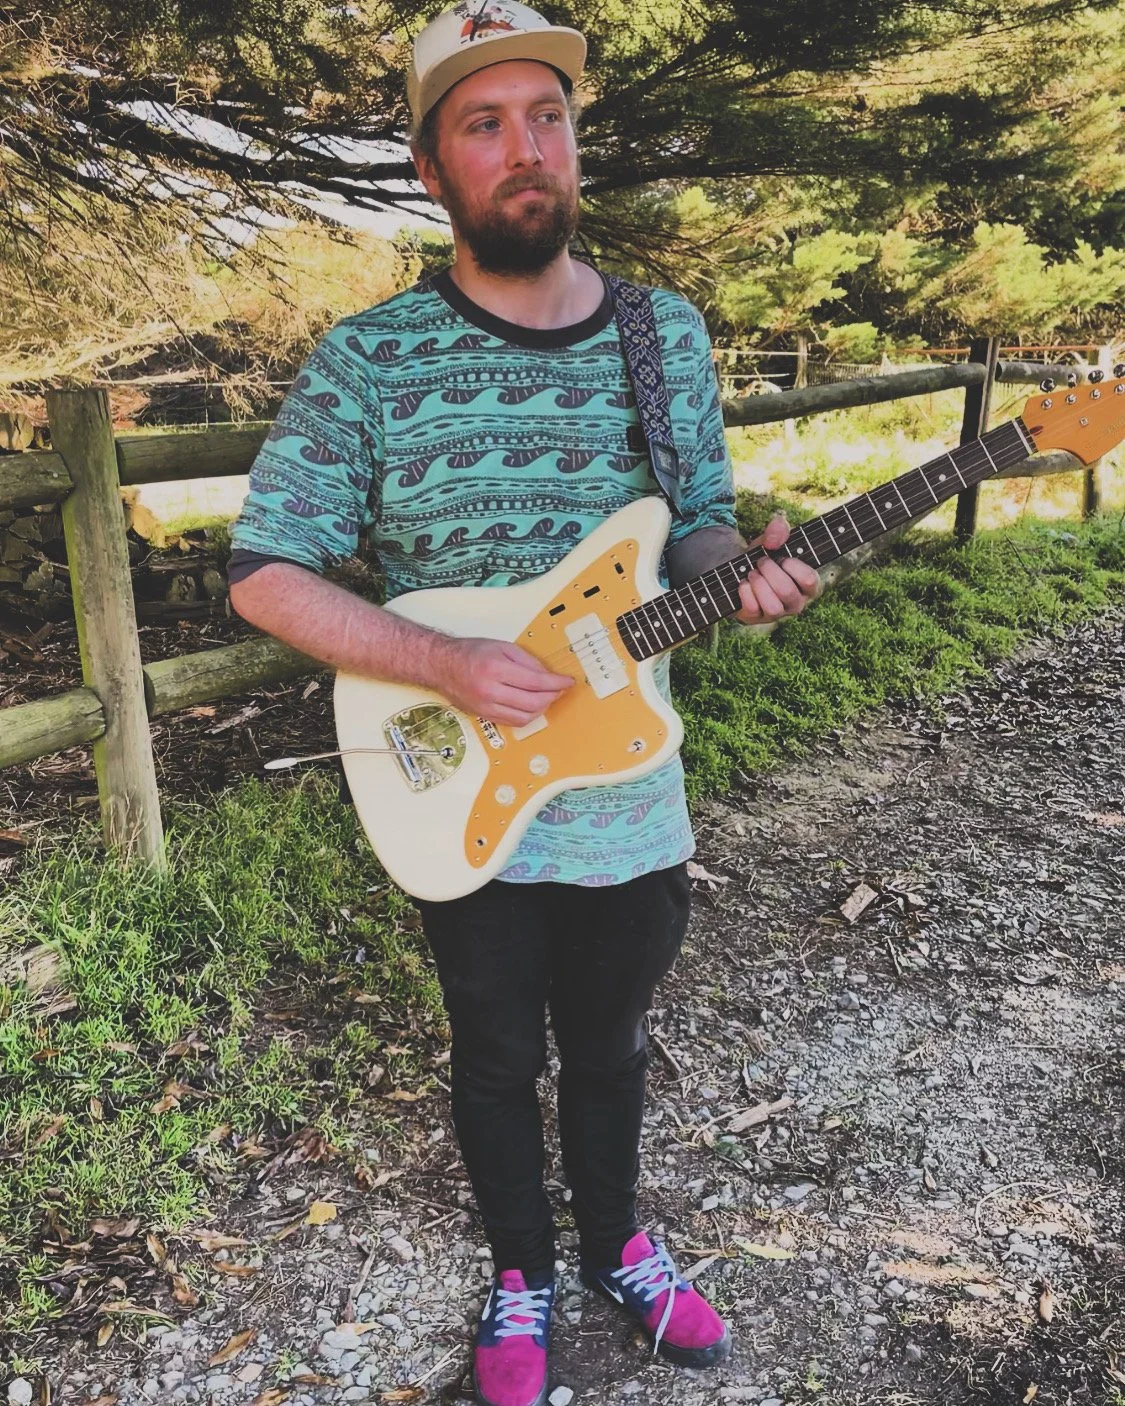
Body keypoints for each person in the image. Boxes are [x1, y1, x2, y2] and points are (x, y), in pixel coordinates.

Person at [228, 4, 820, 1402]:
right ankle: (519, 1270)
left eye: (545, 117)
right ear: (433, 167)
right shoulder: (369, 360)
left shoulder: (659, 334)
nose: (525, 148)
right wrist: (440, 662)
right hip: (456, 786)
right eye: (484, 124)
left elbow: (701, 528)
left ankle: (617, 1240)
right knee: (495, 1050)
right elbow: (263, 571)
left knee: (611, 1040)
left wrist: (745, 574)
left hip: (624, 788)